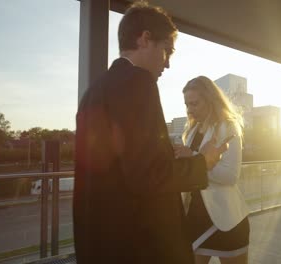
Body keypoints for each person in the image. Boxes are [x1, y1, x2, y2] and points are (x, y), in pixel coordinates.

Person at [73, 3, 227, 263]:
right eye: (167, 51)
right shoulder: (138, 83)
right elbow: (148, 175)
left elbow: (123, 165)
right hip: (140, 246)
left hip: (102, 245)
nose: (167, 64)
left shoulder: (94, 91)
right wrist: (204, 162)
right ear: (145, 39)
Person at [174, 76, 250, 264]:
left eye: (195, 104)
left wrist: (192, 157)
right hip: (197, 218)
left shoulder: (228, 126)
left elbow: (231, 176)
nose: (190, 110)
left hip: (227, 220)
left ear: (210, 100)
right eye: (187, 104)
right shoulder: (191, 131)